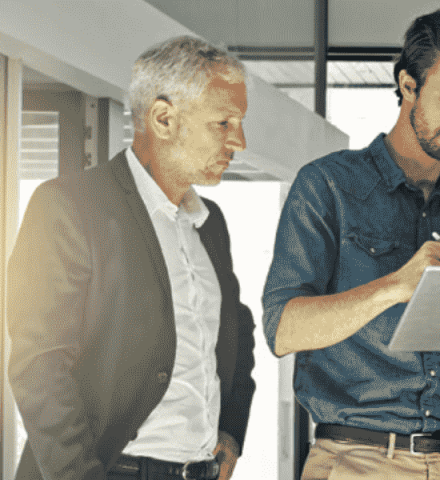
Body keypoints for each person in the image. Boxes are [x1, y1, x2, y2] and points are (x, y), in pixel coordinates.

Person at [262, 7, 440, 480]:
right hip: (356, 459)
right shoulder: (326, 187)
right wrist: (396, 285)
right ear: (407, 85)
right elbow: (283, 330)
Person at [7, 36, 256, 480]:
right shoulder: (68, 205)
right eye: (223, 122)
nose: (238, 140)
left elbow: (238, 331)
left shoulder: (209, 222)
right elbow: (39, 367)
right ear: (163, 118)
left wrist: (232, 432)